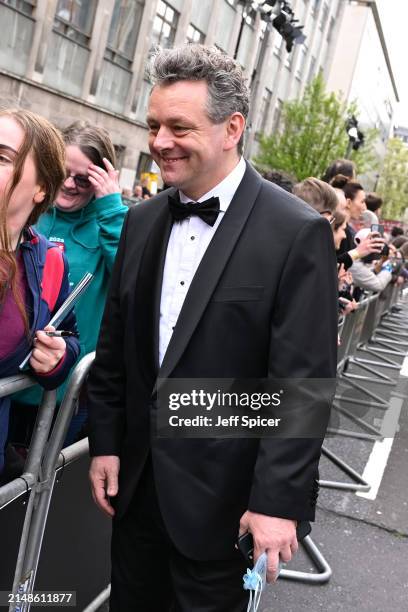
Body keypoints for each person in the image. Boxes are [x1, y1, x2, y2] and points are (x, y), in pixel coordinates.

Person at [87, 44, 338, 611]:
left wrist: (277, 501)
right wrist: (105, 443)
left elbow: (303, 384)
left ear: (232, 128)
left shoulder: (295, 231)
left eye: (179, 126)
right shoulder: (143, 220)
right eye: (153, 125)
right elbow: (115, 346)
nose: (159, 142)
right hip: (137, 496)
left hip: (226, 507)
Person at [13, 121, 127, 446]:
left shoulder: (109, 222)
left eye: (83, 179)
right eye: (63, 172)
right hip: (11, 380)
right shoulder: (31, 208)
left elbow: (133, 282)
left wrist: (111, 207)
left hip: (63, 395)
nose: (68, 184)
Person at [0, 108, 80, 482]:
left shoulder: (47, 259)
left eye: (3, 158)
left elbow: (68, 335)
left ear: (41, 188)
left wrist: (58, 357)